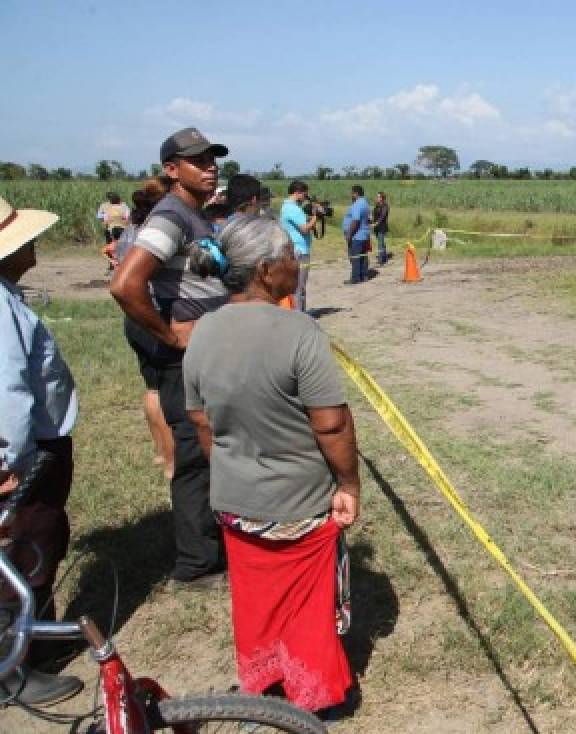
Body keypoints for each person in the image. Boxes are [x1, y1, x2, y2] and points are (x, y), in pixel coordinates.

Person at [183, 214, 359, 719]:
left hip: (236, 504)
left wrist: (235, 471)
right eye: (289, 257)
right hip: (299, 503)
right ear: (265, 270)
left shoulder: (202, 332)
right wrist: (348, 482)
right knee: (305, 603)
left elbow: (202, 424)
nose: (295, 265)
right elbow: (330, 425)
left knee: (257, 597)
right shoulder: (299, 330)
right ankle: (315, 698)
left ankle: (264, 681)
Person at [109, 127, 230, 590]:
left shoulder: (194, 215)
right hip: (184, 360)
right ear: (172, 169)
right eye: (197, 160)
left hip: (203, 354)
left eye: (212, 158)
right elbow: (125, 285)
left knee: (207, 450)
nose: (210, 166)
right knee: (195, 456)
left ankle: (211, 545)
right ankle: (196, 566)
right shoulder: (172, 217)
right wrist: (171, 337)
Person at [0, 196, 85, 705]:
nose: (32, 245)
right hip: (25, 456)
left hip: (35, 449)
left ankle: (40, 637)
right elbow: (7, 393)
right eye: (22, 238)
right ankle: (13, 671)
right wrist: (12, 462)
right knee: (24, 552)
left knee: (44, 539)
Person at [117, 179, 175, 479]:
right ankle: (171, 459)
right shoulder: (157, 236)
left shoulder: (130, 233)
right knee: (168, 389)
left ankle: (161, 451)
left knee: (152, 387)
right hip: (154, 316)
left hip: (134, 319)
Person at [280, 180, 317, 312]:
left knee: (296, 287)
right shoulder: (293, 208)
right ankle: (299, 315)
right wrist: (315, 217)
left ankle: (299, 312)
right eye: (305, 195)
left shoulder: (287, 207)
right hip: (299, 252)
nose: (305, 198)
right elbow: (305, 229)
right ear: (297, 193)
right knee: (299, 287)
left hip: (294, 249)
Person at [342, 185, 370, 285]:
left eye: (352, 193)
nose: (351, 195)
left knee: (354, 257)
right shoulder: (365, 203)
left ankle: (355, 278)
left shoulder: (358, 204)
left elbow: (356, 220)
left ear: (356, 193)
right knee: (363, 256)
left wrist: (349, 234)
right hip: (364, 234)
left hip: (356, 236)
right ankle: (364, 275)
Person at [100, 193, 131, 274]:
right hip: (123, 231)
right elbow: (128, 219)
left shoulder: (108, 209)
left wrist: (109, 223)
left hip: (112, 230)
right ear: (119, 200)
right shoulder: (124, 208)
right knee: (124, 248)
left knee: (111, 249)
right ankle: (124, 266)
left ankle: (112, 265)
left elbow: (105, 221)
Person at [371, 192, 390, 266]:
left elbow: (382, 217)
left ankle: (381, 260)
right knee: (381, 242)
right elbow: (374, 215)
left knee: (380, 243)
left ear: (382, 198)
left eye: (379, 197)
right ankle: (384, 256)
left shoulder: (385, 206)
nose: (377, 198)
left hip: (382, 226)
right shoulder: (377, 205)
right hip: (376, 227)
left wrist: (376, 223)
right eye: (377, 197)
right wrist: (371, 221)